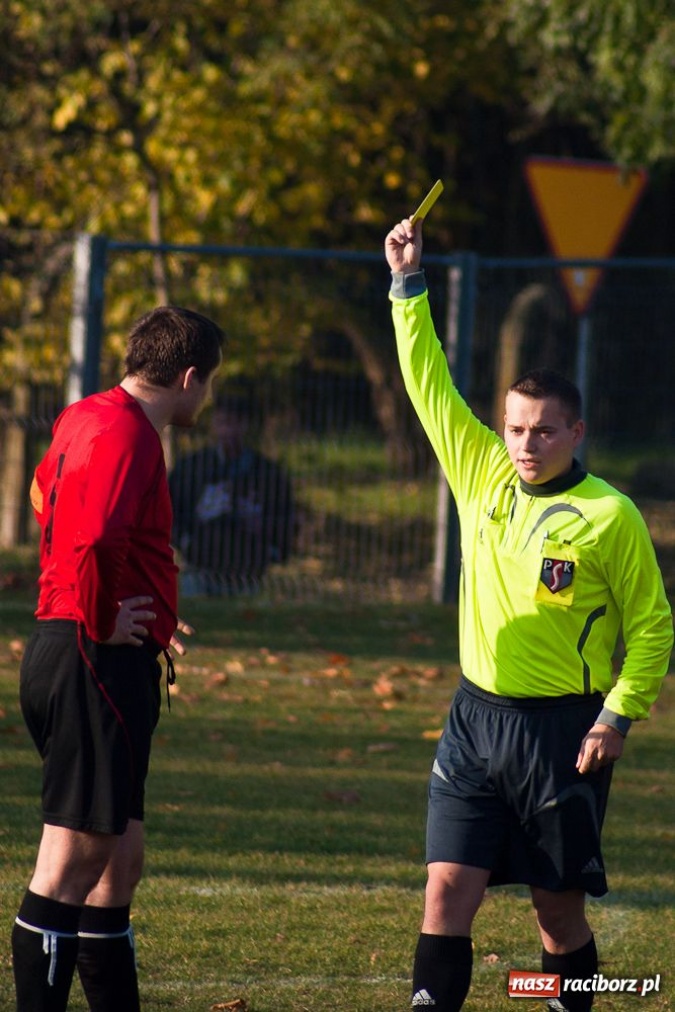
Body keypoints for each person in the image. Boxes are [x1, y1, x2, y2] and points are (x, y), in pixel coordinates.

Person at [384, 216, 673, 1012]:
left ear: (575, 432)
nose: (523, 443)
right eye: (514, 428)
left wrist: (617, 715)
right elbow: (427, 383)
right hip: (474, 721)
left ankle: (561, 999)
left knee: (556, 914)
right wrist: (408, 286)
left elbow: (652, 627)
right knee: (445, 893)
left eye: (542, 431)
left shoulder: (608, 516)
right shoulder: (481, 472)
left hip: (563, 735)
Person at [12, 305, 224, 1012]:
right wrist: (103, 611)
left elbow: (45, 493)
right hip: (87, 657)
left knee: (118, 862)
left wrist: (142, 593)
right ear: (190, 377)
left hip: (78, 649)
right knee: (71, 865)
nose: (207, 397)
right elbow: (96, 533)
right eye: (210, 383)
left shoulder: (84, 415)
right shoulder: (129, 434)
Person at [169, 394, 295, 596]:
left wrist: (264, 534)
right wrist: (187, 537)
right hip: (200, 566)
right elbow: (170, 510)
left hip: (247, 570)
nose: (227, 430)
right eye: (222, 422)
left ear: (245, 425)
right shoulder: (193, 468)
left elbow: (284, 516)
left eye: (234, 422)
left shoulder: (266, 473)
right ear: (213, 424)